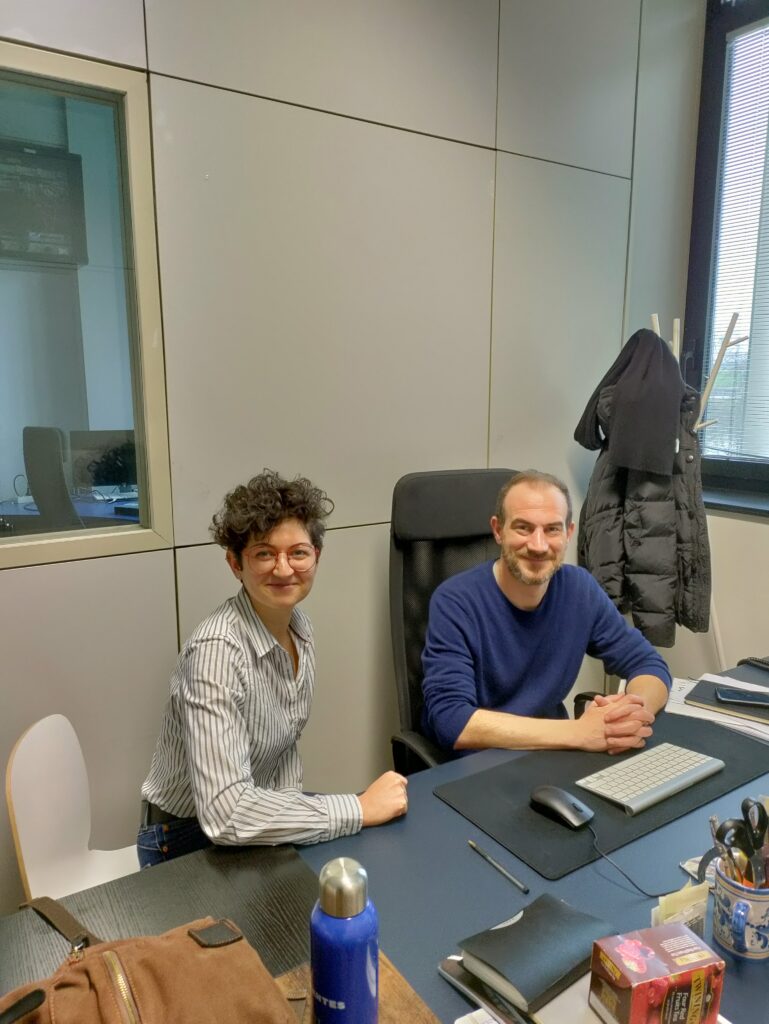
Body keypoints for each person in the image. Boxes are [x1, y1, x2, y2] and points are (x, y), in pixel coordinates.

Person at [138, 470, 407, 867]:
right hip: (184, 839)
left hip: (257, 819)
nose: (283, 569)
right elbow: (226, 813)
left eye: (298, 552)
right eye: (264, 554)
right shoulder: (216, 653)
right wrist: (357, 808)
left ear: (317, 556)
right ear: (235, 563)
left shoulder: (300, 628)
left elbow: (282, 755)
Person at [421, 470, 671, 755]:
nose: (538, 545)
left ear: (568, 533)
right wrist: (579, 732)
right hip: (479, 764)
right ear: (498, 530)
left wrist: (629, 715)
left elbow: (648, 664)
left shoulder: (579, 590)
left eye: (552, 529)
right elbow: (452, 721)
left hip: (554, 754)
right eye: (523, 528)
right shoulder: (456, 601)